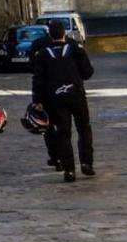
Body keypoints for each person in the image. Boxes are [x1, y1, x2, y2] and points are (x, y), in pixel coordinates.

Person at [31, 20, 95, 183]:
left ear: (50, 35)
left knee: (63, 132)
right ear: (64, 34)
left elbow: (38, 79)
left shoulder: (43, 54)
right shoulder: (75, 49)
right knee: (84, 128)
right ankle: (86, 163)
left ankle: (69, 170)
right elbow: (87, 72)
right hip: (76, 94)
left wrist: (37, 100)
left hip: (55, 98)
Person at [28, 28, 60, 170]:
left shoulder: (38, 44)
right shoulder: (68, 44)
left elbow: (33, 69)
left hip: (46, 93)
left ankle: (55, 157)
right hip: (64, 89)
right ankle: (65, 158)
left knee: (48, 126)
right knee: (64, 127)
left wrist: (36, 99)